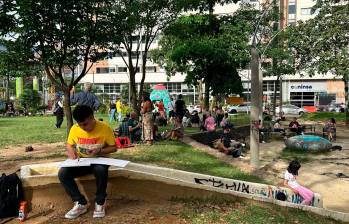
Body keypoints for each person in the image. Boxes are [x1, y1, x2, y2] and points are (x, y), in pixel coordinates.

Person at [58, 105, 117, 219]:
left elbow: (113, 148)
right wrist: (71, 151)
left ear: (92, 117)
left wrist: (100, 150)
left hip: (100, 160)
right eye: (80, 125)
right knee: (63, 173)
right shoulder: (75, 129)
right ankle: (80, 203)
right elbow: (69, 144)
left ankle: (100, 203)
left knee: (100, 170)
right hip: (82, 162)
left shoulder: (105, 128)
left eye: (85, 124)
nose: (82, 127)